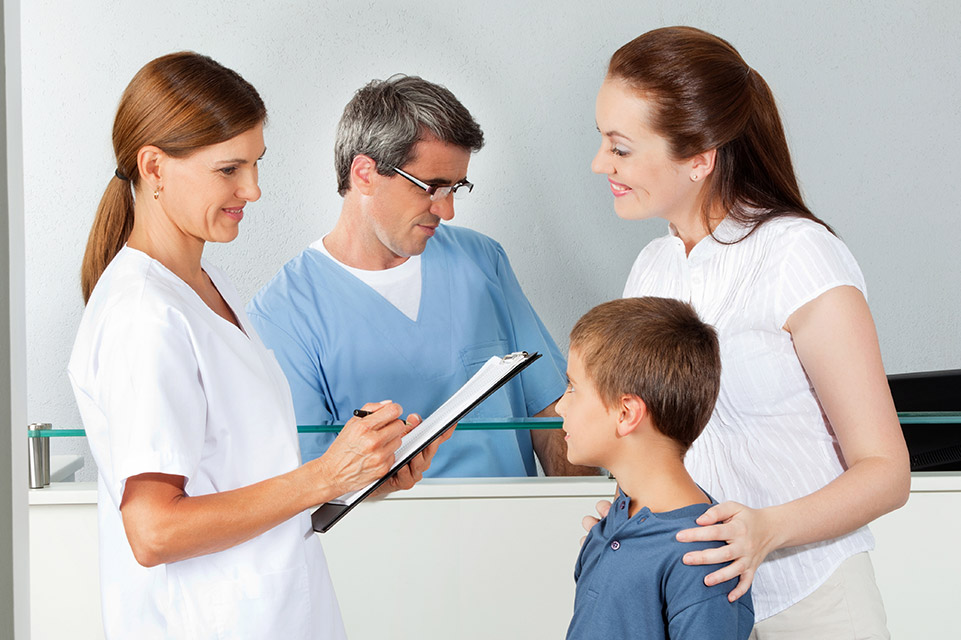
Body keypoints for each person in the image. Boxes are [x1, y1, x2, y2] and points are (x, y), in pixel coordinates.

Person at [68, 52, 445, 639]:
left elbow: (241, 480)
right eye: (230, 169)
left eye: (256, 165)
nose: (254, 189)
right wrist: (325, 475)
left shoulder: (208, 290)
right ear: (154, 167)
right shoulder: (145, 315)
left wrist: (360, 476)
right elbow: (154, 531)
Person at [585, 27, 910, 638]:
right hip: (694, 602)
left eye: (620, 147)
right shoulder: (650, 271)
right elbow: (657, 445)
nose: (600, 164)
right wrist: (632, 513)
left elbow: (886, 470)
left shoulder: (799, 257)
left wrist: (767, 528)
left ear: (700, 156)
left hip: (812, 601)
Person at [248, 75, 593, 477]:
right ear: (364, 174)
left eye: (455, 188)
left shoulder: (481, 262)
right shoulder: (283, 314)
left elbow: (552, 414)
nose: (446, 212)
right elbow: (310, 480)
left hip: (512, 530)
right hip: (389, 537)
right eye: (431, 187)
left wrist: (577, 528)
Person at [560, 297, 754, 639]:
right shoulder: (613, 524)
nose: (561, 405)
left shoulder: (703, 558)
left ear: (626, 414)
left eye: (573, 387)